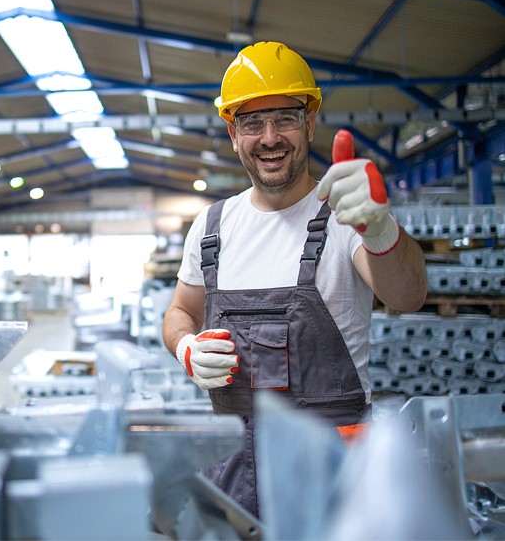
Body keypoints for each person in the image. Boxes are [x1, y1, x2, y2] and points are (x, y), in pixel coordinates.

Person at [161, 41, 427, 516]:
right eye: (251, 123)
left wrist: (382, 230)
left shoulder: (346, 214)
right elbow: (181, 311)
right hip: (230, 472)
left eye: (285, 117)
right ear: (232, 132)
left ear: (309, 121)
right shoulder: (212, 226)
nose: (269, 137)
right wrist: (186, 346)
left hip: (333, 475)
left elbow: (407, 296)